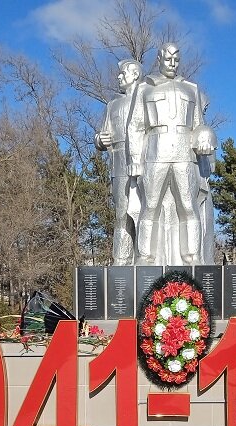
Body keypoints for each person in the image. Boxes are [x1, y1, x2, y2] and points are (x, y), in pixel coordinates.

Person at [136, 43, 215, 265]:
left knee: (188, 207)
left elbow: (200, 124)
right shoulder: (145, 88)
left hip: (184, 154)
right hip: (155, 152)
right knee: (149, 206)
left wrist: (206, 135)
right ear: (159, 59)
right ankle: (145, 256)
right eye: (167, 58)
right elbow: (136, 126)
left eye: (176, 59)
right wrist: (135, 161)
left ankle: (192, 256)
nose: (172, 63)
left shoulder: (191, 88)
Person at [95, 59, 145, 266]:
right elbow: (101, 136)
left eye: (123, 73)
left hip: (145, 162)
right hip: (119, 164)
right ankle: (121, 259)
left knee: (145, 213)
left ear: (135, 75)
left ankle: (146, 259)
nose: (119, 77)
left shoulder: (146, 98)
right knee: (122, 213)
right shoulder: (113, 105)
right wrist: (100, 139)